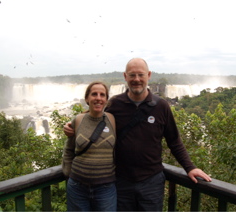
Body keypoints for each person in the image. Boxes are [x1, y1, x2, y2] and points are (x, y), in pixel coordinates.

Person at [64, 58, 212, 211]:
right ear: (125, 76)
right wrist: (72, 124)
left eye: (140, 75)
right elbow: (95, 114)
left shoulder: (161, 106)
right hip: (121, 181)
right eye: (132, 75)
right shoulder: (115, 104)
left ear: (148, 75)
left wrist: (190, 168)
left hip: (151, 182)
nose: (136, 79)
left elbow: (174, 141)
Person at [62, 81, 117, 211]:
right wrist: (68, 173)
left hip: (106, 188)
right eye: (94, 94)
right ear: (87, 98)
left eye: (102, 95)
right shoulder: (78, 120)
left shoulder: (112, 120)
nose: (98, 98)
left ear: (106, 100)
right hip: (77, 187)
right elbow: (69, 149)